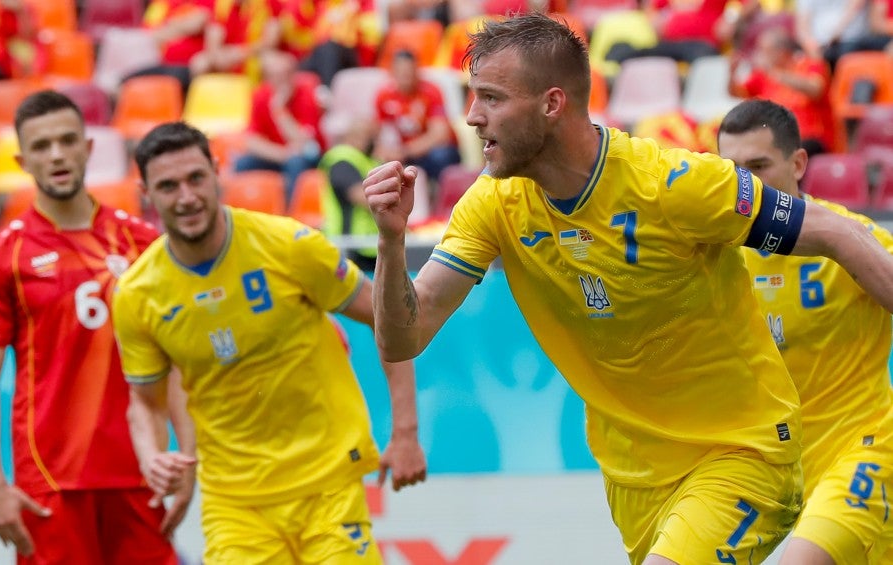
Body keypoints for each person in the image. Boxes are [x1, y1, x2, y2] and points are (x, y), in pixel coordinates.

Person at [363, 13, 893, 565]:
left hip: (742, 453)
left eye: (491, 99)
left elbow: (835, 230)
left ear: (551, 104)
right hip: (634, 476)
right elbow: (406, 335)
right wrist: (392, 242)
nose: (471, 117)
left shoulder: (673, 185)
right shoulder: (492, 204)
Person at [112, 121, 427, 564]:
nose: (186, 197)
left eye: (195, 178)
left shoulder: (287, 244)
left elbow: (388, 319)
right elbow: (145, 401)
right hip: (235, 504)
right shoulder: (136, 294)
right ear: (145, 192)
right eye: (168, 186)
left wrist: (406, 432)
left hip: (327, 485)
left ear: (217, 172)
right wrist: (150, 455)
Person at [0, 90, 184, 563]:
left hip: (140, 473)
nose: (57, 155)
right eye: (41, 146)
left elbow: (179, 359)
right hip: (49, 482)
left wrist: (190, 455)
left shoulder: (142, 242)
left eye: (67, 141)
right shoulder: (1, 257)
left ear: (88, 147)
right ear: (23, 160)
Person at [717, 99, 893, 564]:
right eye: (732, 171)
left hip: (863, 450)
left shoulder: (850, 238)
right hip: (774, 470)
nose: (746, 186)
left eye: (759, 166)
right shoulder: (717, 256)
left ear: (798, 164)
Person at [232, 49, 326, 205]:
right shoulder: (260, 95)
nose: (281, 80)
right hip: (281, 154)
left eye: (286, 74)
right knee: (243, 163)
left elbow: (304, 142)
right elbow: (251, 141)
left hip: (311, 156)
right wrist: (283, 154)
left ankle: (292, 210)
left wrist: (280, 111)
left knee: (296, 162)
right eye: (275, 75)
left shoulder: (307, 92)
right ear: (267, 78)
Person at [728, 26, 833, 156]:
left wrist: (774, 73)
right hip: (777, 139)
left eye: (764, 51)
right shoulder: (762, 75)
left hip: (812, 136)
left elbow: (815, 89)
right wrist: (731, 73)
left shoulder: (810, 65)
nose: (760, 55)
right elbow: (736, 93)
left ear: (782, 52)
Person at [373, 49, 461, 188]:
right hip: (403, 153)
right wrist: (385, 151)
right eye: (401, 72)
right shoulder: (384, 95)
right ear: (393, 71)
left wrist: (405, 151)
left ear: (417, 70)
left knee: (441, 155)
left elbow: (440, 135)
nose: (405, 76)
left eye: (409, 71)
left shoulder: (431, 92)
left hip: (430, 152)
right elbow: (380, 133)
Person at [319, 118, 381, 271]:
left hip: (369, 245)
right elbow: (363, 197)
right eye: (370, 137)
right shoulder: (343, 160)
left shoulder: (366, 160)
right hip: (350, 244)